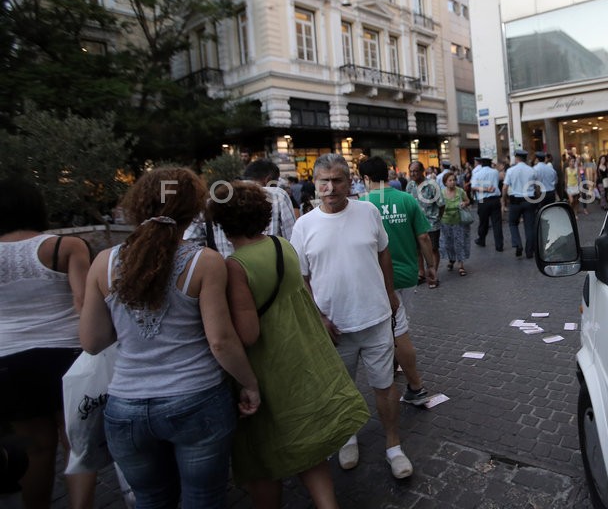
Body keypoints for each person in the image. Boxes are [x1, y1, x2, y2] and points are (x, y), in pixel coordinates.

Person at [79, 167, 261, 508]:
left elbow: (91, 341)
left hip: (126, 407)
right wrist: (249, 384)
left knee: (150, 500)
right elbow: (220, 340)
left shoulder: (104, 262)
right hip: (197, 400)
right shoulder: (205, 262)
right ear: (194, 210)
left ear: (138, 205)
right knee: (203, 499)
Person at [208, 182, 369, 509]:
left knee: (262, 459)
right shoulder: (282, 245)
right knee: (307, 447)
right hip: (301, 358)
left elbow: (248, 334)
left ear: (223, 223)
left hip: (268, 371)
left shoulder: (235, 266)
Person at [289, 154, 414, 480]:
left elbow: (383, 252)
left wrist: (390, 292)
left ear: (350, 182)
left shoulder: (368, 211)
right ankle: (347, 438)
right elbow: (300, 280)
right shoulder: (303, 226)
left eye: (338, 180)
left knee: (384, 386)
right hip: (333, 328)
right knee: (342, 389)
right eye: (324, 182)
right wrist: (318, 318)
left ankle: (393, 446)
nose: (331, 188)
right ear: (315, 184)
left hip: (374, 320)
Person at [0, 178, 97, 509]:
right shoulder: (65, 247)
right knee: (77, 442)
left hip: (9, 358)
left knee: (34, 447)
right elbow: (85, 303)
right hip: (66, 354)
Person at [358, 157, 437, 406]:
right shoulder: (407, 199)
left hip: (379, 278)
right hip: (408, 275)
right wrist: (431, 266)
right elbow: (423, 237)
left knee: (395, 330)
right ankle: (396, 367)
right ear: (389, 174)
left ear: (366, 179)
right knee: (399, 325)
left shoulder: (362, 204)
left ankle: (414, 384)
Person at [183, 159, 296, 257]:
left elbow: (190, 245)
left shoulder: (211, 202)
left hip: (225, 275)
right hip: (271, 272)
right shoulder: (277, 195)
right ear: (268, 180)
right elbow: (292, 240)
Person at [406, 161, 441, 288]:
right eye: (411, 171)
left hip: (431, 223)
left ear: (422, 171)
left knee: (433, 249)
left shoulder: (432, 185)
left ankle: (433, 275)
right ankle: (421, 273)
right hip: (415, 224)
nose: (413, 173)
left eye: (416, 170)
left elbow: (441, 204)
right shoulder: (410, 185)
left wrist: (437, 218)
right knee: (417, 249)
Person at [501, 149, 537, 258]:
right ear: (525, 158)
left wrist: (504, 200)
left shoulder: (511, 171)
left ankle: (517, 244)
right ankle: (529, 251)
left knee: (512, 223)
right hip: (530, 200)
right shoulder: (532, 170)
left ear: (516, 158)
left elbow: (505, 187)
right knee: (529, 226)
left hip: (515, 201)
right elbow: (537, 187)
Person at [438, 172, 471, 275]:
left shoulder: (460, 191)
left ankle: (460, 265)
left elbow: (468, 200)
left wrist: (464, 203)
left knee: (459, 242)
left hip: (459, 221)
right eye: (450, 180)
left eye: (454, 180)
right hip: (445, 222)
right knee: (448, 244)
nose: (453, 182)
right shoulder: (441, 193)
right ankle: (451, 260)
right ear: (445, 182)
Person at [471, 157, 503, 251]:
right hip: (495, 198)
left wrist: (484, 189)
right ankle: (499, 245)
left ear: (481, 164)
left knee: (483, 221)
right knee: (497, 223)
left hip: (482, 199)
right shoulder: (495, 172)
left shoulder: (477, 173)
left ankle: (482, 239)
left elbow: (473, 187)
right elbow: (497, 182)